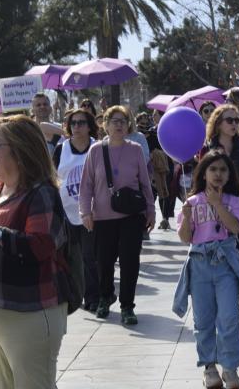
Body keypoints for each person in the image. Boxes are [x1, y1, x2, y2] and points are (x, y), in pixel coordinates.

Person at [0, 115, 69, 389]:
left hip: (32, 314)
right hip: (1, 313)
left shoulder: (42, 193)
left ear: (19, 150)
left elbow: (40, 245)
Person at [173, 150, 239, 389]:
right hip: (199, 265)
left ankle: (230, 368)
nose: (218, 174)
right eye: (213, 169)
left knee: (229, 317)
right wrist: (187, 218)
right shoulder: (191, 202)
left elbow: (236, 228)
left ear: (230, 174)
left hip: (225, 265)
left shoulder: (234, 200)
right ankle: (209, 367)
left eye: (223, 169)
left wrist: (218, 205)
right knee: (203, 319)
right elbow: (185, 238)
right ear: (204, 173)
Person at [79, 105, 155, 325]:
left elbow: (144, 184)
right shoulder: (95, 151)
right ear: (106, 125)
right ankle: (105, 297)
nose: (119, 125)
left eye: (123, 121)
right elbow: (86, 186)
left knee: (130, 261)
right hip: (103, 217)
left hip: (132, 216)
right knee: (104, 262)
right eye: (115, 121)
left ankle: (127, 306)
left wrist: (150, 210)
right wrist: (85, 212)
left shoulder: (135, 149)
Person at [201, 104, 239, 299]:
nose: (234, 124)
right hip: (215, 206)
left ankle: (235, 291)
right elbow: (201, 178)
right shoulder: (208, 148)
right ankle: (227, 297)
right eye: (230, 120)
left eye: (237, 120)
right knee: (221, 253)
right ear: (218, 123)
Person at [53, 109, 99, 311]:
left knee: (90, 256)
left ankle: (93, 298)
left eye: (81, 123)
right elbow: (52, 177)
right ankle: (74, 296)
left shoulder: (97, 148)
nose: (77, 127)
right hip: (66, 212)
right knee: (71, 257)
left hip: (93, 211)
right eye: (73, 123)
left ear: (90, 126)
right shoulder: (61, 149)